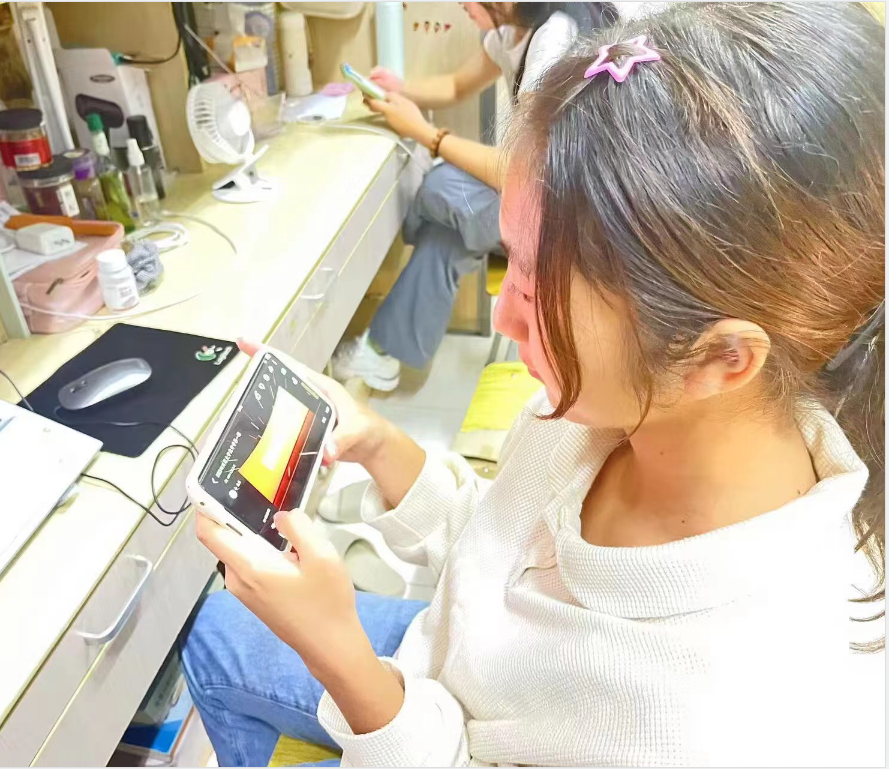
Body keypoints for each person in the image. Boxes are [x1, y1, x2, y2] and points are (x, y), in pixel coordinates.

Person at [181, 3, 885, 766]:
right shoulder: (606, 406)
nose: (501, 312)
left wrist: (343, 661)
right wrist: (379, 444)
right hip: (451, 659)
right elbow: (498, 540)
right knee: (213, 628)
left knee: (211, 643)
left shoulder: (711, 722)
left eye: (534, 285)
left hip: (434, 726)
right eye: (510, 259)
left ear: (718, 358)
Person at [333, 2, 617, 390]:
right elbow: (455, 85)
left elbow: (521, 173)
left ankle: (385, 349)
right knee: (447, 233)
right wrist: (398, 90)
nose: (461, 4)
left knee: (439, 188)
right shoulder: (513, 32)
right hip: (543, 191)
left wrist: (425, 134)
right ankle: (383, 353)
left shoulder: (554, 38)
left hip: (571, 214)